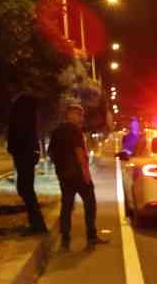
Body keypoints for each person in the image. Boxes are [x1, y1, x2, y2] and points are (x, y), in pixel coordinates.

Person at [47, 101, 100, 247]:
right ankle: (91, 235)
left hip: (63, 174)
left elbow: (50, 152)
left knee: (67, 205)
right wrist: (86, 173)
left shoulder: (56, 131)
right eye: (79, 115)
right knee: (90, 203)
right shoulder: (75, 130)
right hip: (77, 173)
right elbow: (79, 152)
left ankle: (65, 238)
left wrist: (59, 166)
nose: (81, 118)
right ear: (70, 114)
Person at [7, 93, 45, 234]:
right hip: (26, 154)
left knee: (25, 188)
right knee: (25, 188)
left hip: (24, 154)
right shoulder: (30, 117)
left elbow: (19, 136)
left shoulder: (23, 117)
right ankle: (36, 223)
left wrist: (13, 147)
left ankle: (37, 224)